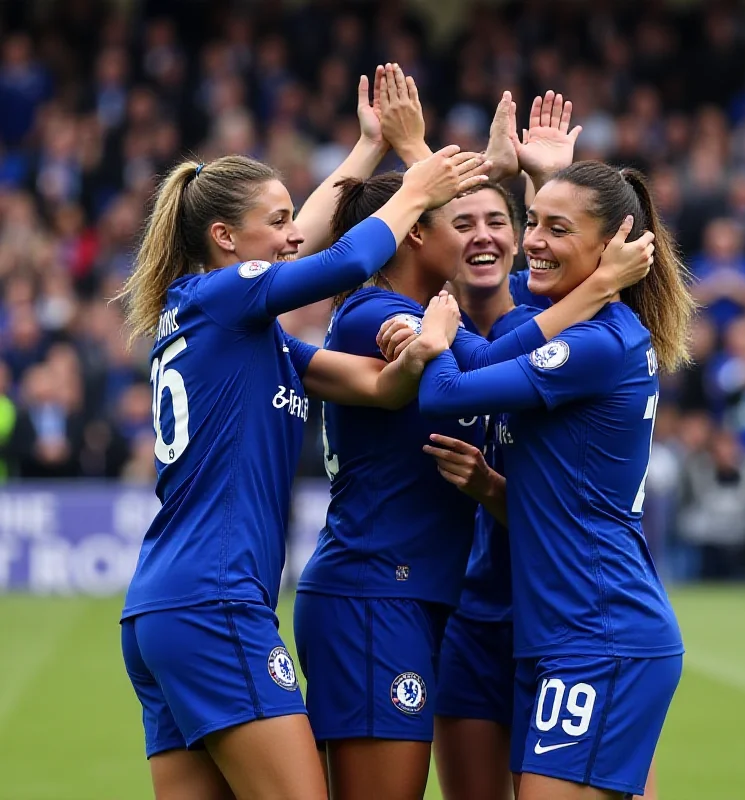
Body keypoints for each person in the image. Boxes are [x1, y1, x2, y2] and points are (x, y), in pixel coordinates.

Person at [294, 65, 655, 800]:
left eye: (503, 223)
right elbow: (463, 364)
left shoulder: (530, 314)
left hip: (543, 609)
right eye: (460, 220)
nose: (484, 235)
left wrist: (539, 185)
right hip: (409, 594)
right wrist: (417, 156)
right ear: (420, 230)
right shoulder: (394, 316)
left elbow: (547, 284)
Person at [116, 136, 491, 800]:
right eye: (279, 221)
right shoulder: (225, 296)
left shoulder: (236, 330)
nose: (295, 236)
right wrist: (414, 191)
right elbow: (346, 258)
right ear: (226, 237)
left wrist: (367, 149)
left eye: (295, 217)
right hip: (215, 601)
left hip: (161, 610)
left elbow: (381, 388)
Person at [415, 159, 694, 800]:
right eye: (532, 220)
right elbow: (490, 343)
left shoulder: (597, 344)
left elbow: (448, 391)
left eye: (555, 228)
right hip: (555, 632)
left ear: (612, 251)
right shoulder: (555, 326)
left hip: (602, 629)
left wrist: (431, 338)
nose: (533, 240)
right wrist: (490, 488)